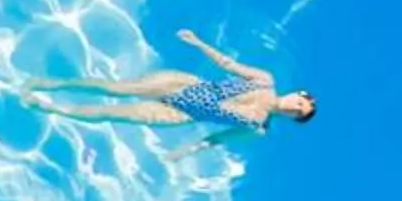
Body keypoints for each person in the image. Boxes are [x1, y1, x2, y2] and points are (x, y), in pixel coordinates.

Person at [26, 28, 317, 139]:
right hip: (184, 85)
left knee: (110, 113)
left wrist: (183, 152)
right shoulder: (265, 80)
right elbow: (228, 64)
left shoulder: (257, 127)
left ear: (293, 119)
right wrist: (198, 42)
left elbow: (215, 140)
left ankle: (50, 109)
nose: (295, 107)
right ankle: (50, 84)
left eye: (298, 113)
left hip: (182, 115)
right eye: (299, 102)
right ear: (296, 93)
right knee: (116, 88)